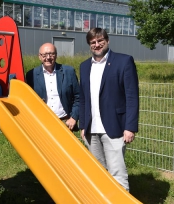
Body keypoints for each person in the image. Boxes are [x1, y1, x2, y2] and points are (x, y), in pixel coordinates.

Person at [79, 28, 139, 191]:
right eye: (93, 42)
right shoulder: (84, 66)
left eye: (100, 41)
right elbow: (83, 98)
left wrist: (130, 127)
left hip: (115, 127)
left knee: (117, 174)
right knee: (98, 173)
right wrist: (83, 125)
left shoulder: (124, 61)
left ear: (107, 40)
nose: (97, 45)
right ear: (89, 45)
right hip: (92, 130)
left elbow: (132, 97)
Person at [26, 43, 79, 131]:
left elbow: (79, 97)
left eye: (51, 54)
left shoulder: (69, 72)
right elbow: (28, 100)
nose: (48, 57)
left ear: (56, 55)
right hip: (41, 123)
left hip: (64, 122)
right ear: (39, 56)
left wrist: (73, 117)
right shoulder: (31, 74)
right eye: (44, 55)